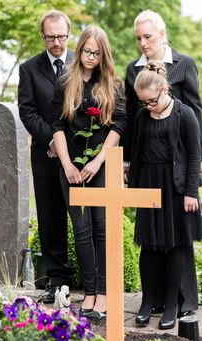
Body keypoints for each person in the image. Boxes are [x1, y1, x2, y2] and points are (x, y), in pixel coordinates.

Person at [124, 9, 202, 318]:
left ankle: (180, 303)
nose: (142, 42)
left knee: (178, 241)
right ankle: (153, 300)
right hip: (149, 169)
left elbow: (195, 112)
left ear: (162, 33)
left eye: (147, 36)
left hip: (179, 163)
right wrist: (127, 161)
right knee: (151, 242)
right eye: (138, 38)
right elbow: (133, 123)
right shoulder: (133, 72)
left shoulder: (184, 64)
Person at [51, 25, 126, 320]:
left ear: (103, 53)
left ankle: (105, 293)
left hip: (101, 166)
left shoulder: (112, 84)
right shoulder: (65, 82)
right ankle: (91, 293)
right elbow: (57, 125)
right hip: (71, 167)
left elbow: (119, 125)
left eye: (96, 52)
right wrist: (68, 164)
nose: (91, 57)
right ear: (79, 48)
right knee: (81, 232)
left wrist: (98, 162)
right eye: (86, 51)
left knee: (101, 229)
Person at [18, 10, 74, 303]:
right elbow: (27, 111)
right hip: (46, 157)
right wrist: (53, 139)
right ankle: (57, 280)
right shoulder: (29, 69)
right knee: (51, 221)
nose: (56, 42)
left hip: (80, 158)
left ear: (69, 33)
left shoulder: (83, 62)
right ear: (43, 35)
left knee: (84, 221)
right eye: (51, 36)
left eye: (61, 36)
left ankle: (92, 283)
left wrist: (67, 142)